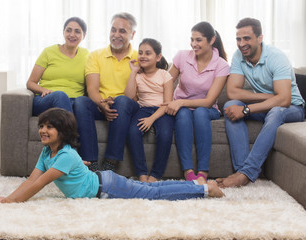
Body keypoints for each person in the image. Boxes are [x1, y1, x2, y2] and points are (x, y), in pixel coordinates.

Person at [0, 108, 224, 203]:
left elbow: (39, 184)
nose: (43, 130)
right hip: (105, 181)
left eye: (49, 127)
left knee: (156, 193)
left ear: (62, 133)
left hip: (108, 187)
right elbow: (31, 179)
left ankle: (205, 189)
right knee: (153, 190)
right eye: (41, 125)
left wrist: (10, 203)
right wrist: (8, 197)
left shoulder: (66, 155)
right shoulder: (46, 152)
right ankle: (201, 187)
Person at [216, 18, 305, 188]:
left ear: (260, 38)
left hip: (292, 108)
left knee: (276, 111)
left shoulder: (276, 57)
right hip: (270, 105)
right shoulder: (238, 56)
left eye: (247, 38)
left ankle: (247, 173)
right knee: (230, 105)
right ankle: (241, 170)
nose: (242, 44)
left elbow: (284, 99)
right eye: (238, 39)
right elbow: (232, 92)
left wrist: (246, 109)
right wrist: (269, 96)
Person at [164, 22, 230, 184]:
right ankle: (188, 172)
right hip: (182, 109)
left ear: (212, 40)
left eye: (199, 40)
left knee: (199, 112)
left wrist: (180, 102)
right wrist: (168, 103)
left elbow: (208, 102)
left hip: (207, 109)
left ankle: (203, 172)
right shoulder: (182, 56)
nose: (194, 44)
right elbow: (166, 82)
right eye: (192, 40)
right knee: (184, 113)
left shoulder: (221, 65)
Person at [74, 12, 140, 172]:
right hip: (100, 104)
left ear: (132, 35)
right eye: (113, 30)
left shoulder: (139, 57)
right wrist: (102, 104)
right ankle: (91, 164)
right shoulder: (96, 55)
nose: (116, 35)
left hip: (127, 107)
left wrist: (115, 102)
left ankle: (111, 162)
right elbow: (92, 89)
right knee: (80, 102)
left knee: (122, 101)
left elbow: (136, 95)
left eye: (122, 31)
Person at [125, 38, 174, 182]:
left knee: (165, 134)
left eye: (148, 53)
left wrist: (151, 119)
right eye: (140, 53)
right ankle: (142, 174)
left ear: (158, 57)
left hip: (162, 111)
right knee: (133, 131)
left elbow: (167, 103)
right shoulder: (138, 75)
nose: (143, 56)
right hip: (144, 109)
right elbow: (129, 96)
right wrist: (133, 72)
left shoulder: (165, 75)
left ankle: (155, 175)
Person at [26, 17, 89, 116]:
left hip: (74, 102)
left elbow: (92, 84)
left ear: (84, 36)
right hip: (47, 99)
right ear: (63, 32)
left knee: (81, 103)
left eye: (77, 31)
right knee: (60, 95)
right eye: (68, 30)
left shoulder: (87, 55)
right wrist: (43, 90)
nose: (72, 34)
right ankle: (70, 130)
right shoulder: (48, 52)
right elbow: (30, 83)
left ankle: (67, 128)